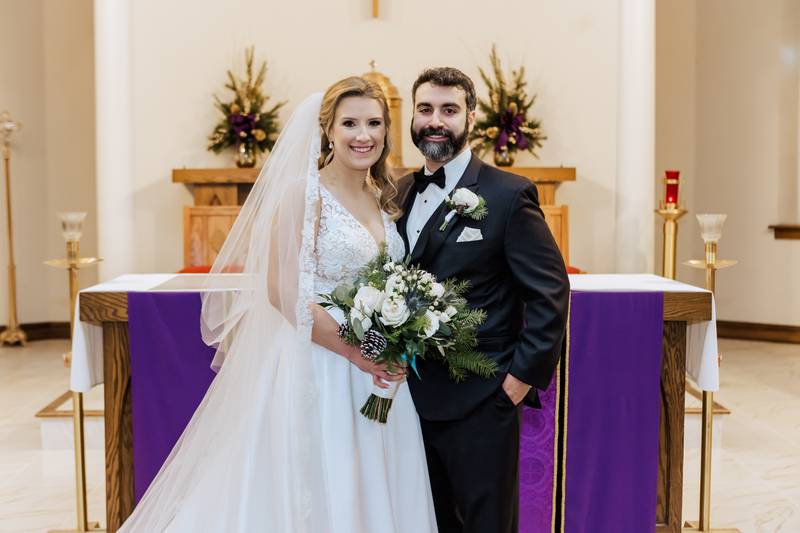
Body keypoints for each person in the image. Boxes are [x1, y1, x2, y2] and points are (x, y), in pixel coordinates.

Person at [117, 77, 438, 533]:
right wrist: (354, 350)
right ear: (328, 131)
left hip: (378, 369)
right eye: (349, 123)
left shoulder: (385, 199)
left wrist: (391, 342)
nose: (362, 134)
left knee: (376, 481)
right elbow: (282, 290)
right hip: (321, 364)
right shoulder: (303, 197)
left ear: (387, 131)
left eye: (373, 123)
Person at [397, 67, 570, 533]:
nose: (436, 121)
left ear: (470, 117)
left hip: (481, 399)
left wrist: (517, 383)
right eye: (426, 109)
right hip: (407, 402)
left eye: (449, 110)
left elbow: (550, 291)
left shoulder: (508, 194)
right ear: (412, 117)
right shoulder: (398, 193)